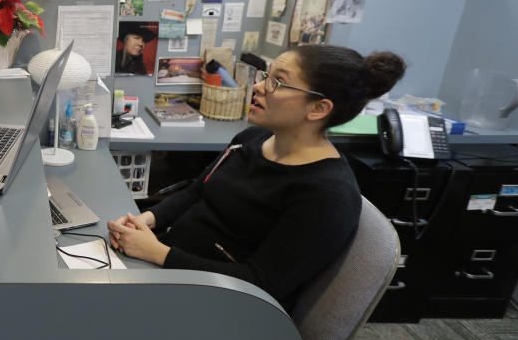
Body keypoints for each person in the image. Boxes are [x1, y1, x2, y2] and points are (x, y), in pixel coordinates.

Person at [108, 45, 406, 309]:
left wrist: (158, 253)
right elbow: (197, 192)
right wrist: (147, 220)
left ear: (318, 108)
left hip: (223, 306)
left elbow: (259, 282)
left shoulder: (327, 194)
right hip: (173, 270)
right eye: (265, 75)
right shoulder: (253, 138)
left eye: (277, 82)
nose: (260, 86)